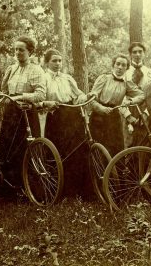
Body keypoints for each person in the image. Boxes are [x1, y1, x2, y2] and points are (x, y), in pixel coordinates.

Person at [0, 36, 46, 194]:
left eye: (22, 49)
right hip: (10, 115)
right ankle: (8, 191)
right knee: (7, 150)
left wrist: (21, 97)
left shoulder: (36, 70)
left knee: (27, 150)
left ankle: (30, 191)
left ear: (30, 52)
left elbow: (41, 94)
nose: (18, 52)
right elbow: (4, 94)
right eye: (16, 49)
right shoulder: (11, 69)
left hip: (26, 114)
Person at [41, 48, 88, 196]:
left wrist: (81, 97)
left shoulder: (67, 78)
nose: (57, 64)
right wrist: (48, 103)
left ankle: (77, 188)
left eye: (59, 60)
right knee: (58, 151)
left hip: (72, 115)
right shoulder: (43, 78)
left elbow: (78, 94)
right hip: (55, 116)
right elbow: (40, 98)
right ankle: (59, 190)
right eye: (54, 61)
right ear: (47, 62)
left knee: (76, 150)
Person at [88, 53, 144, 156]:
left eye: (123, 65)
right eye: (118, 64)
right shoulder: (103, 78)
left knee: (116, 147)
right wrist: (101, 108)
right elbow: (91, 99)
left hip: (114, 117)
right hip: (98, 117)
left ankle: (114, 172)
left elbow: (141, 95)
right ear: (113, 65)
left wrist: (130, 101)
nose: (120, 67)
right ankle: (96, 171)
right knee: (98, 148)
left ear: (127, 68)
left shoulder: (127, 83)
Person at [124, 42, 151, 147]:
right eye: (134, 52)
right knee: (128, 143)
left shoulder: (149, 73)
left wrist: (146, 113)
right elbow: (121, 94)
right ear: (130, 54)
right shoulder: (125, 72)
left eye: (140, 52)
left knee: (144, 143)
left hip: (145, 109)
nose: (137, 54)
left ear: (144, 53)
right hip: (128, 109)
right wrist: (127, 115)